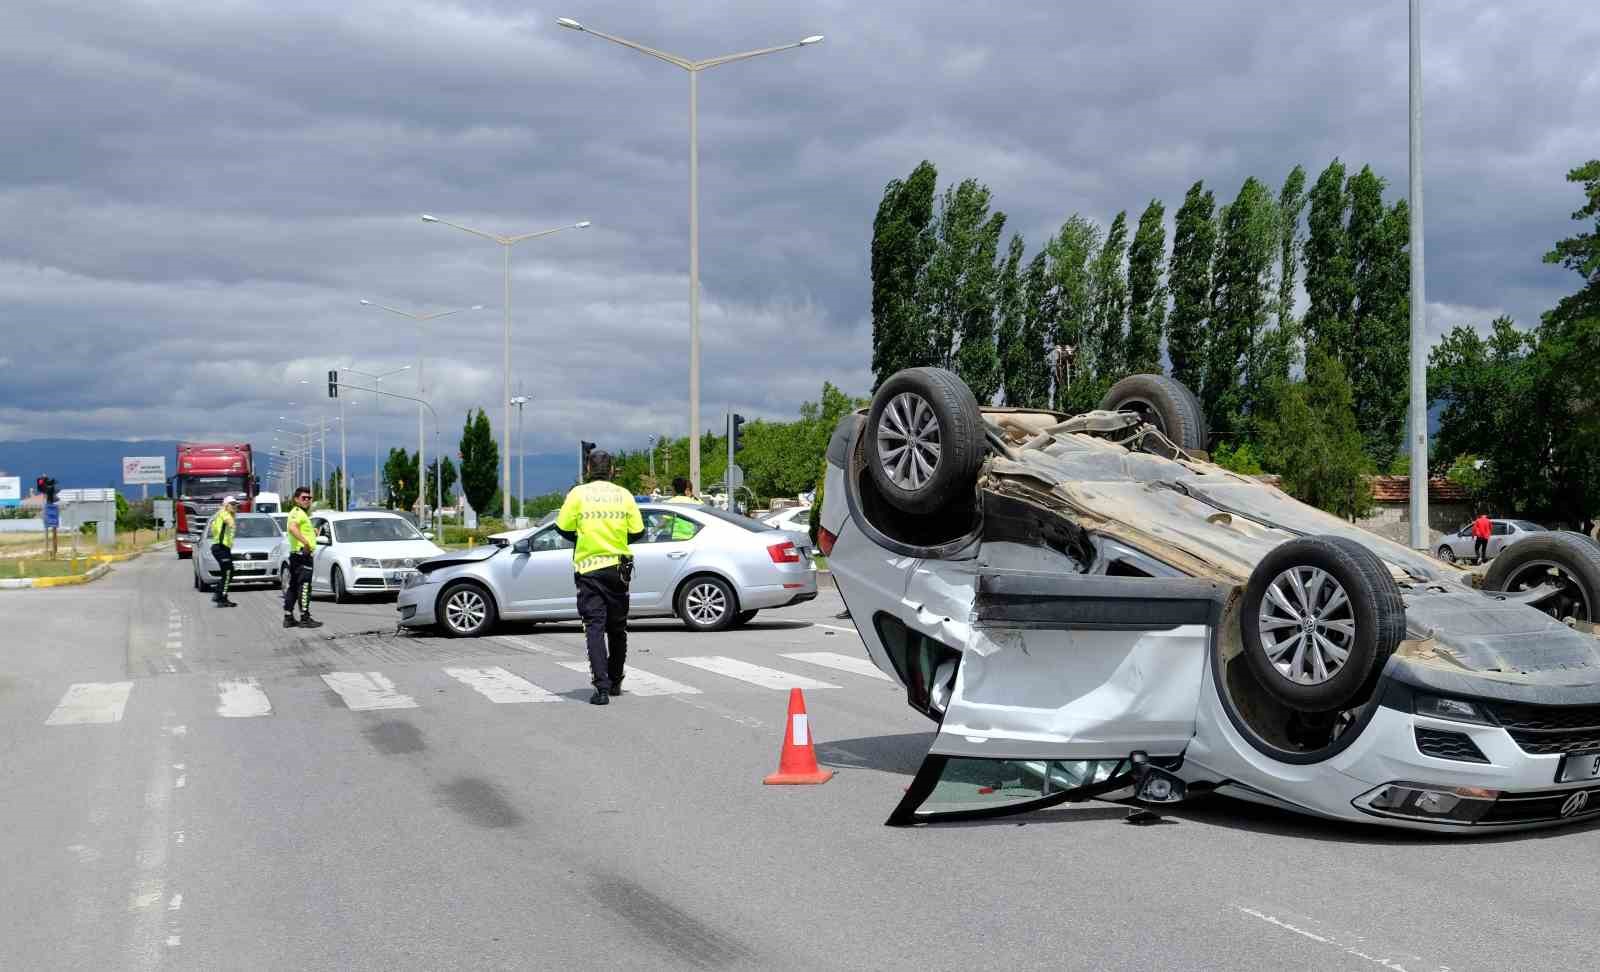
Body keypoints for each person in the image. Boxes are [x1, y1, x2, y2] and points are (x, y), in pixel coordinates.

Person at [556, 450, 643, 706]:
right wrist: (617, 539)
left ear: (587, 469)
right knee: (617, 628)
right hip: (618, 570)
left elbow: (562, 527)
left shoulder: (577, 494)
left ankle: (601, 688)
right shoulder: (624, 495)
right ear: (612, 470)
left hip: (589, 570)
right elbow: (638, 531)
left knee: (594, 627)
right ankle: (616, 681)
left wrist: (582, 538)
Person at [282, 486, 323, 629]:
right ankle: (305, 618)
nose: (307, 500)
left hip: (297, 555)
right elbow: (293, 528)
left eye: (309, 498)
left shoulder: (301, 514)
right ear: (296, 499)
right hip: (302, 555)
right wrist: (306, 543)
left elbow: (298, 529)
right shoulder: (297, 512)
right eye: (304, 498)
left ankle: (288, 617)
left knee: (293, 586)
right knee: (304, 586)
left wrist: (313, 533)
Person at [207, 495, 240, 608]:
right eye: (232, 504)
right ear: (226, 505)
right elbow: (229, 521)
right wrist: (232, 522)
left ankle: (220, 596)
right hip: (220, 548)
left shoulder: (223, 514)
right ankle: (220, 596)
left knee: (228, 573)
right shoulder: (223, 513)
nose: (235, 506)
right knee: (228, 572)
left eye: (236, 504)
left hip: (223, 548)